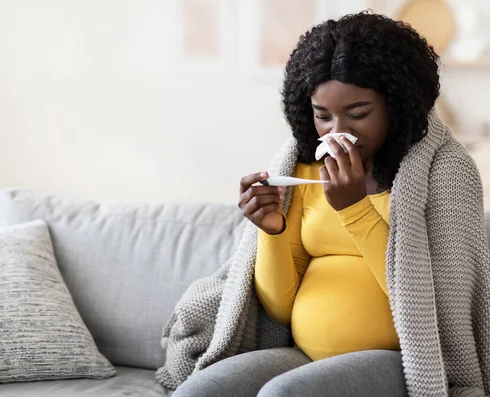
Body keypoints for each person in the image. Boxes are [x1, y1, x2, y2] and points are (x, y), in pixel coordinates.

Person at [174, 11, 437, 397]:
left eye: (359, 114)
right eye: (323, 116)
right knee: (199, 392)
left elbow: (423, 299)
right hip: (301, 355)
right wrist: (272, 231)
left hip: (399, 359)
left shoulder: (435, 173)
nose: (338, 133)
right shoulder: (303, 169)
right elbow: (279, 308)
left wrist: (354, 210)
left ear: (397, 105)